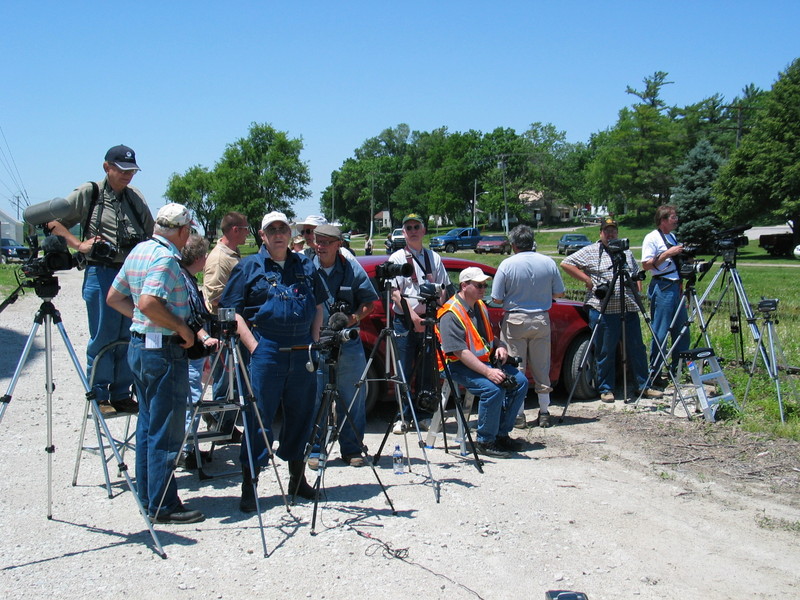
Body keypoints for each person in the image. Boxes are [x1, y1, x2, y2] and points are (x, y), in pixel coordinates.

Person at [219, 211, 325, 512]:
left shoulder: (304, 264)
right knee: (258, 420)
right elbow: (231, 310)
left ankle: (297, 480)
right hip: (266, 350)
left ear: (290, 234)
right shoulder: (248, 267)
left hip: (302, 350)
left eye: (283, 229)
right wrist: (253, 346)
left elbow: (318, 304)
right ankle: (249, 486)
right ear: (262, 236)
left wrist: (314, 341)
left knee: (301, 416)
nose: (278, 234)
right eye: (271, 230)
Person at [106, 203, 205, 524]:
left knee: (148, 426)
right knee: (165, 431)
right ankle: (163, 504)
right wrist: (181, 327)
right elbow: (149, 302)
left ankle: (150, 497)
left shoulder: (139, 252)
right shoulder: (165, 259)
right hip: (162, 350)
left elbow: (116, 297)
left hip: (141, 345)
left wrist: (143, 319)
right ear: (182, 230)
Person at [47, 145, 155, 414]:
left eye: (131, 171)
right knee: (104, 334)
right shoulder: (90, 193)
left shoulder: (135, 198)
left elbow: (152, 233)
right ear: (107, 167)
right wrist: (79, 244)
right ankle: (99, 394)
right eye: (121, 170)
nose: (127, 175)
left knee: (131, 333)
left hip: (131, 273)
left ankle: (121, 393)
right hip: (102, 271)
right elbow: (51, 221)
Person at [560, 218, 663, 404]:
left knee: (637, 347)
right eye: (607, 231)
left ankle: (643, 385)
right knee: (605, 350)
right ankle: (606, 388)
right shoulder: (591, 251)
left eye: (613, 231)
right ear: (600, 233)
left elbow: (635, 272)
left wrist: (636, 285)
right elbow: (566, 263)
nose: (610, 234)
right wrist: (588, 280)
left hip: (628, 306)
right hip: (603, 308)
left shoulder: (626, 252)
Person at [436, 267, 528, 458]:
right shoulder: (451, 313)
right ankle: (485, 440)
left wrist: (500, 345)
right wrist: (488, 373)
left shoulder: (479, 305)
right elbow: (459, 352)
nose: (483, 289)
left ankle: (501, 434)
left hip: (481, 361)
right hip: (453, 364)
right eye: (478, 285)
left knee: (521, 382)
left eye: (485, 285)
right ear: (464, 286)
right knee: (492, 389)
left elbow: (485, 337)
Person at [311, 224, 378, 466]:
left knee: (352, 397)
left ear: (339, 244)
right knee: (315, 397)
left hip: (347, 343)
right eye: (318, 240)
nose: (321, 246)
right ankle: (315, 450)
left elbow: (369, 303)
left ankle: (351, 449)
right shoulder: (306, 268)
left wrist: (350, 319)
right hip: (317, 342)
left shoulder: (352, 269)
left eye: (327, 242)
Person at [491, 224, 565, 429]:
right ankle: (544, 411)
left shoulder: (507, 265)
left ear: (513, 244)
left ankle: (519, 414)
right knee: (542, 366)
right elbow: (559, 293)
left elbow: (496, 298)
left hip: (515, 319)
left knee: (516, 367)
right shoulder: (548, 262)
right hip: (541, 318)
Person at [388, 213, 449, 433]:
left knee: (427, 370)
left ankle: (424, 414)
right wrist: (413, 318)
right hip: (405, 321)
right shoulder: (396, 259)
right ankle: (403, 415)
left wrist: (435, 314)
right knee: (404, 369)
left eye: (416, 226)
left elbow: (443, 289)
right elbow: (395, 293)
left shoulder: (435, 258)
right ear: (403, 233)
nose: (413, 231)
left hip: (429, 319)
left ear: (423, 231)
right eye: (408, 228)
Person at [202, 211, 249, 439]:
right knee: (226, 378)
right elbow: (213, 296)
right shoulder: (220, 258)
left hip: (233, 324)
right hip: (223, 326)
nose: (248, 232)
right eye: (246, 228)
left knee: (234, 377)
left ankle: (225, 424)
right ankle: (220, 424)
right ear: (235, 230)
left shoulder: (232, 253)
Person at [179, 234, 219, 470]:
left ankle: (188, 446)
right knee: (191, 397)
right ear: (198, 257)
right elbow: (190, 316)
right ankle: (186, 450)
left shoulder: (186, 277)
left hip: (192, 349)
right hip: (189, 350)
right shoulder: (185, 280)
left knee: (192, 396)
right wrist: (204, 336)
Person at [641, 205, 690, 381]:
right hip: (662, 287)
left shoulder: (672, 236)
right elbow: (646, 265)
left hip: (676, 286)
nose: (676, 220)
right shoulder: (652, 238)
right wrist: (669, 253)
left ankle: (679, 370)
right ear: (663, 220)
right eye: (673, 217)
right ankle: (654, 373)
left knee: (682, 330)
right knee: (661, 331)